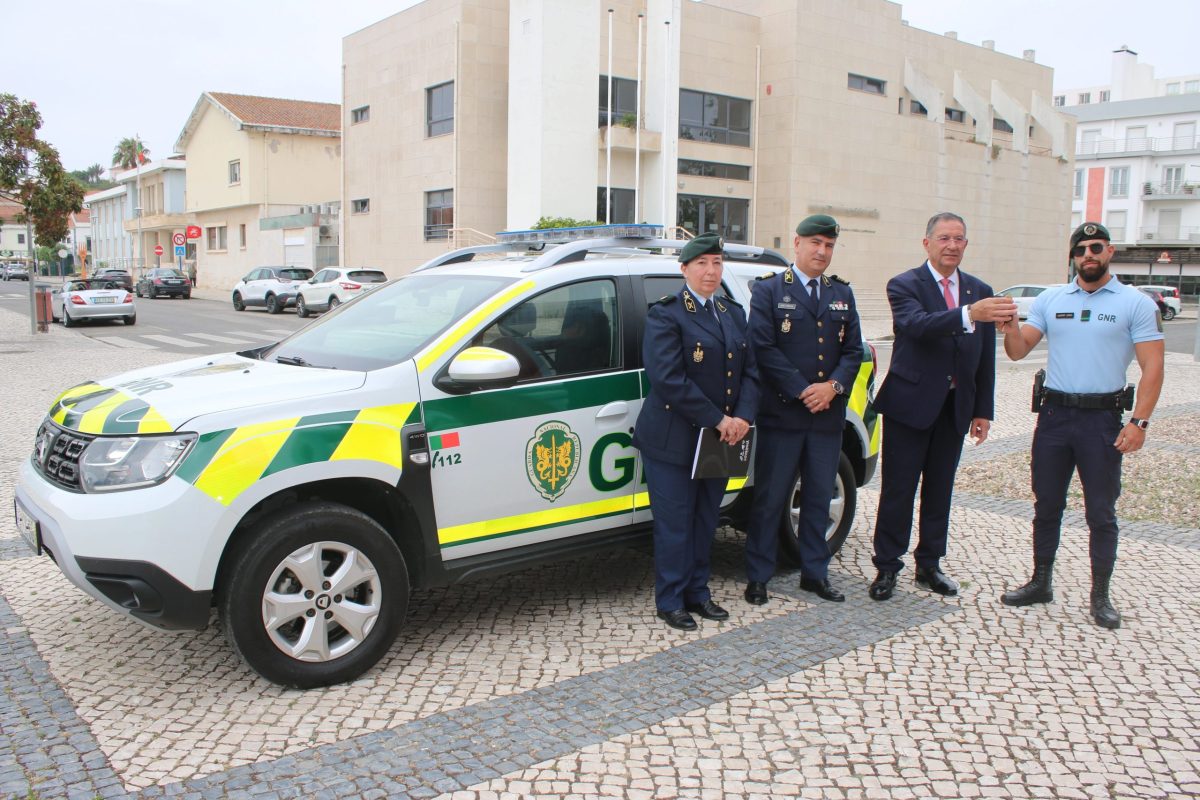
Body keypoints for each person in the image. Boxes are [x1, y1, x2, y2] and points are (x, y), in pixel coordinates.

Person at [997, 222, 1164, 629]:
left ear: (1110, 251)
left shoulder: (1135, 303)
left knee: (1101, 513)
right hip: (1054, 417)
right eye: (1081, 249)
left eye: (1096, 247)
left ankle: (1100, 594)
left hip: (1102, 420)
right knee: (1046, 505)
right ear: (1072, 257)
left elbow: (1153, 366)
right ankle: (1041, 582)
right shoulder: (1052, 300)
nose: (1088, 255)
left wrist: (1139, 422)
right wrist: (1010, 327)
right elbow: (1019, 352)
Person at [868, 212, 1018, 601]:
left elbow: (985, 357)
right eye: (945, 238)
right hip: (910, 406)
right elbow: (916, 325)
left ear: (966, 245)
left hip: (955, 407)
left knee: (940, 490)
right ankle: (887, 566)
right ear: (927, 243)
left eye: (959, 239)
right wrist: (970, 315)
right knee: (899, 489)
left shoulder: (979, 290)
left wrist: (983, 410)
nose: (952, 245)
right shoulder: (905, 285)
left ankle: (930, 563)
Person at [633, 232, 760, 631]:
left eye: (717, 263)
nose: (711, 270)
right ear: (684, 269)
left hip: (720, 439)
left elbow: (751, 373)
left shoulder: (733, 312)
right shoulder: (666, 314)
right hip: (675, 439)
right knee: (675, 523)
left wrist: (742, 418)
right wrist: (720, 420)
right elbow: (668, 379)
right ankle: (670, 600)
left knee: (706, 519)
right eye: (702, 263)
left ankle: (698, 592)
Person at [742, 214, 862, 606]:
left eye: (829, 246)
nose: (822, 252)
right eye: (815, 244)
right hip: (783, 415)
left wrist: (832, 388)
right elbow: (763, 347)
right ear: (797, 244)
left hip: (826, 417)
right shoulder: (770, 291)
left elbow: (853, 351)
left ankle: (815, 573)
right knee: (771, 498)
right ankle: (758, 576)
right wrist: (802, 389)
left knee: (816, 499)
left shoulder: (842, 293)